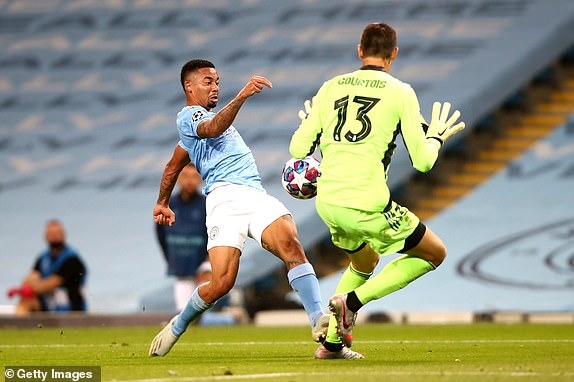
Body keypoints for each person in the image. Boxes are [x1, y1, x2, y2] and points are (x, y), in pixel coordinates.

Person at [289, 22, 465, 359]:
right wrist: (437, 137)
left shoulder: (330, 88)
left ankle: (331, 346)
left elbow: (298, 149)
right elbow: (424, 162)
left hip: (328, 202)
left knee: (365, 259)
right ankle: (350, 303)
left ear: (359, 50)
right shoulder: (400, 92)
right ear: (394, 53)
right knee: (434, 253)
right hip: (367, 201)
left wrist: (312, 123)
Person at [148, 59, 329, 357]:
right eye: (208, 81)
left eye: (217, 81)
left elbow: (172, 166)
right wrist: (242, 95)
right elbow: (212, 127)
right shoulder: (190, 118)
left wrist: (162, 202)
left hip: (254, 194)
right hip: (224, 201)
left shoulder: (195, 129)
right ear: (188, 86)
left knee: (291, 245)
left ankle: (317, 319)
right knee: (221, 283)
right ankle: (177, 326)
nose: (215, 87)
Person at [156, 163, 209, 311]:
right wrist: (171, 259)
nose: (189, 180)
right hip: (181, 268)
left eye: (194, 176)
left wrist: (208, 264)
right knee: (183, 312)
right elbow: (161, 235)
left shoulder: (207, 205)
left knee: (203, 309)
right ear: (178, 179)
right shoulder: (168, 204)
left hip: (204, 268)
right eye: (185, 176)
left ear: (200, 179)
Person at [7, 219, 87, 315]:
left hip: (70, 309)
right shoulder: (43, 258)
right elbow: (29, 278)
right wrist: (26, 287)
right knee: (26, 301)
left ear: (63, 235)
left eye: (57, 233)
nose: (54, 236)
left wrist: (31, 288)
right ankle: (17, 327)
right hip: (48, 307)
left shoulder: (72, 260)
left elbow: (51, 283)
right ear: (45, 236)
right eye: (51, 233)